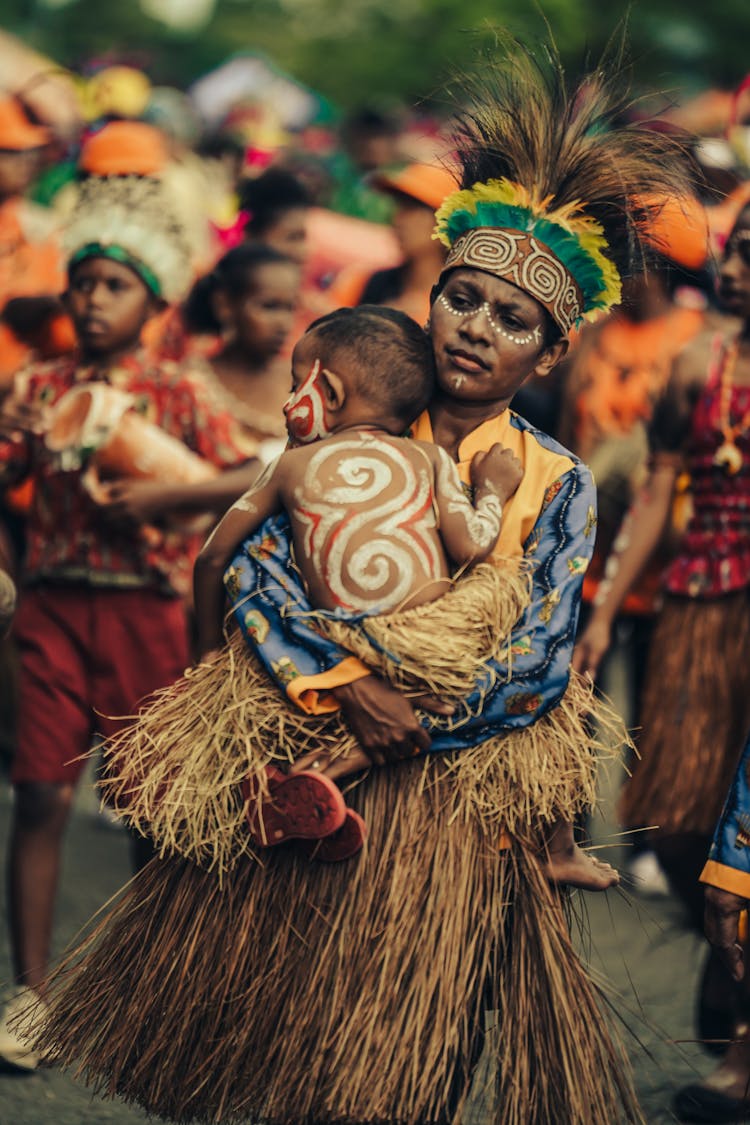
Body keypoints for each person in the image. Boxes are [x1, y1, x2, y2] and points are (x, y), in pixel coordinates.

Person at [33, 45, 693, 1124]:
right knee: (283, 1037)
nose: (478, 328)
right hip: (315, 752)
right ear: (433, 299)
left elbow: (540, 659)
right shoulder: (363, 416)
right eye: (463, 299)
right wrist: (346, 686)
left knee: (403, 1054)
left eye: (512, 319)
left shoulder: (559, 481)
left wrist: (415, 721)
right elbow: (254, 569)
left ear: (553, 349)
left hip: (452, 792)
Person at [0, 172, 260, 1073]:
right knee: (38, 795)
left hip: (149, 616)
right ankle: (31, 994)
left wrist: (166, 491)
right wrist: (14, 436)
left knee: (154, 809)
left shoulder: (177, 390)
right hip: (53, 607)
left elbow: (260, 474)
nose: (92, 299)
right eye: (81, 282)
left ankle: (155, 989)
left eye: (113, 286)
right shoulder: (37, 381)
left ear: (153, 301)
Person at [183, 242, 301, 456]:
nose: (284, 323)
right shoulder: (191, 383)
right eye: (269, 306)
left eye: (290, 308)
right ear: (224, 306)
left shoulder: (300, 381)